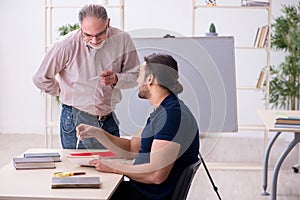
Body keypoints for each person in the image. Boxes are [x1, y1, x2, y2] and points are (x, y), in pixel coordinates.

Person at [76, 53, 200, 200]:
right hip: (138, 191)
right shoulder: (162, 111)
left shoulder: (172, 116)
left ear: (150, 79)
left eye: (140, 74)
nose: (137, 80)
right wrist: (98, 133)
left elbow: (156, 175)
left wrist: (113, 167)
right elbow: (131, 148)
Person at [33, 4, 140, 149]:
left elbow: (136, 76)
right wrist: (63, 92)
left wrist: (116, 79)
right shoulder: (66, 45)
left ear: (108, 23)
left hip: (108, 119)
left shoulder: (122, 40)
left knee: (113, 167)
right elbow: (41, 78)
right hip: (75, 120)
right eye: (88, 35)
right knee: (78, 169)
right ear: (80, 27)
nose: (94, 40)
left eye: (100, 34)